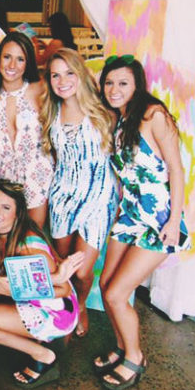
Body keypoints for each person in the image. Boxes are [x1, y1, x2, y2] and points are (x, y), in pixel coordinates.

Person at [94, 55, 191, 390]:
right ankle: (123, 346)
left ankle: (135, 358)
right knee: (106, 285)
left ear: (137, 85)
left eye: (123, 83)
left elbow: (176, 169)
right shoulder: (120, 120)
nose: (114, 89)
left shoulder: (153, 115)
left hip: (158, 218)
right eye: (109, 82)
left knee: (118, 294)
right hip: (130, 215)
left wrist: (174, 221)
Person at [0, 181, 84, 388]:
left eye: (6, 207)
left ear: (17, 214)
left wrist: (11, 291)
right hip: (32, 302)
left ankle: (43, 355)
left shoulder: (28, 245)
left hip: (56, 313)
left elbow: (62, 289)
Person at [40, 48, 118, 338]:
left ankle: (81, 303)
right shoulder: (50, 112)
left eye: (69, 73)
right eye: (55, 75)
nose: (62, 81)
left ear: (81, 74)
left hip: (98, 197)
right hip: (62, 197)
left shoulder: (103, 110)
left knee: (83, 271)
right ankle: (68, 305)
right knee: (65, 265)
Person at [0, 32, 54, 228]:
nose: (12, 65)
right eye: (7, 57)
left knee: (32, 235)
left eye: (20, 59)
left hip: (38, 173)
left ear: (28, 63)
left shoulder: (39, 89)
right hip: (4, 178)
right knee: (5, 235)